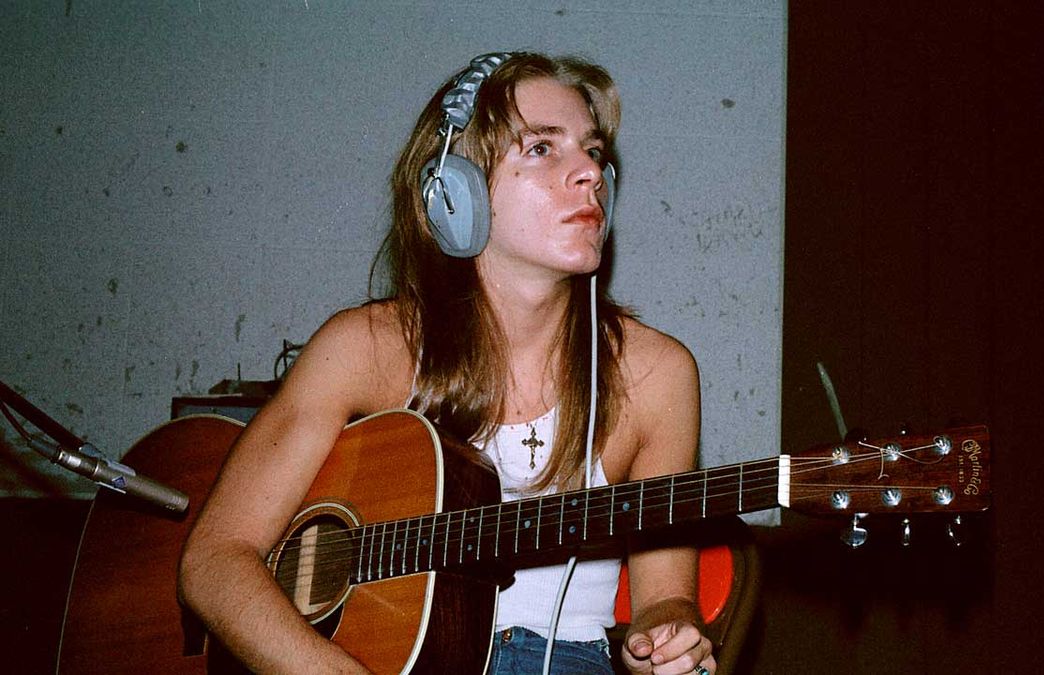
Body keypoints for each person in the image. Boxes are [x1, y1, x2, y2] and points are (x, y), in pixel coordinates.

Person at [178, 52, 715, 675]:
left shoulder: (656, 374)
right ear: (453, 194)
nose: (590, 174)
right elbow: (215, 560)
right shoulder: (367, 347)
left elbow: (666, 595)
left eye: (593, 151)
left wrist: (668, 634)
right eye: (543, 149)